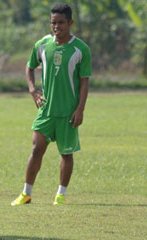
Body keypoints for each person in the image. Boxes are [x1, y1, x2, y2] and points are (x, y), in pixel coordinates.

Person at [11, 3, 91, 206]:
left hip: (68, 112)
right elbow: (29, 67)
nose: (57, 27)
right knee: (37, 148)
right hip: (46, 110)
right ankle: (26, 193)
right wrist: (32, 90)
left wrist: (80, 108)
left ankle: (60, 195)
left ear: (70, 23)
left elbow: (84, 81)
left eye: (61, 23)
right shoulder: (43, 45)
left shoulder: (80, 49)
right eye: (53, 23)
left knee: (66, 153)